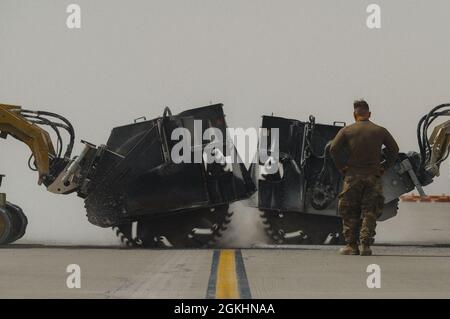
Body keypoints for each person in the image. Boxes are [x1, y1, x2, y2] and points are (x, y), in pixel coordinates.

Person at [330, 100, 399, 256]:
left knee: (350, 211)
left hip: (352, 177)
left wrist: (342, 167)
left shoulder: (347, 130)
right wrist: (384, 167)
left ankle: (351, 245)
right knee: (370, 211)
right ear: (369, 114)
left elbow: (333, 149)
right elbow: (394, 149)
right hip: (373, 177)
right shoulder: (380, 131)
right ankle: (366, 246)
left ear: (354, 115)